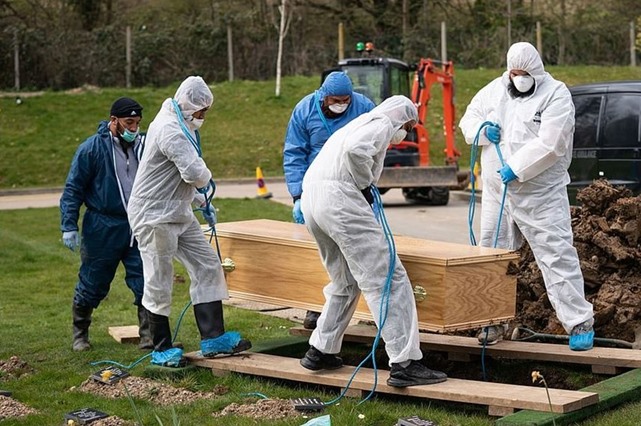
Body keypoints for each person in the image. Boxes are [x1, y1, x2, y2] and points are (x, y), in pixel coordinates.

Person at [299, 95, 447, 387]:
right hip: (341, 200)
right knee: (389, 279)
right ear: (400, 117)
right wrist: (364, 184)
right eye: (407, 126)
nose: (403, 133)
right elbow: (356, 153)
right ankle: (405, 362)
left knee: (344, 282)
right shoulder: (381, 122)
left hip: (313, 200)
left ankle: (321, 349)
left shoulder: (354, 125)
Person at [458, 42, 595, 351]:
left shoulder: (556, 94)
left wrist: (516, 168)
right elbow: (468, 121)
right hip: (498, 194)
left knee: (556, 255)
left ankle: (579, 322)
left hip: (541, 195)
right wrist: (482, 129)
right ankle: (492, 321)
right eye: (514, 73)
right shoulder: (494, 90)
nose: (518, 78)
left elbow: (552, 143)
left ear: (536, 71)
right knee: (493, 256)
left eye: (524, 73)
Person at [127, 76, 251, 367]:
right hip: (153, 215)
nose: (203, 117)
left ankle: (213, 337)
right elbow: (194, 172)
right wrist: (205, 184)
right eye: (201, 111)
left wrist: (199, 201)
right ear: (188, 104)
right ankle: (160, 347)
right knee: (159, 277)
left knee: (207, 264)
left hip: (177, 209)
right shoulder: (169, 129)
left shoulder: (182, 124)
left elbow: (173, 178)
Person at [283, 71, 375, 330]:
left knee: (364, 248)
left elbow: (375, 146)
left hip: (354, 187)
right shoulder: (305, 110)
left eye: (346, 99)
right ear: (323, 97)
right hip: (316, 190)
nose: (342, 104)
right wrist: (298, 196)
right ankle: (316, 306)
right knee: (323, 254)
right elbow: (294, 153)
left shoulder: (364, 107)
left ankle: (370, 305)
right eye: (336, 100)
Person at [60, 97, 152, 352]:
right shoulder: (91, 149)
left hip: (137, 224)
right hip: (102, 226)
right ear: (114, 121)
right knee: (93, 280)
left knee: (145, 279)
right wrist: (69, 225)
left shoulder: (143, 147)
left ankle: (148, 335)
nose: (134, 128)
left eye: (137, 123)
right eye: (128, 122)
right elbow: (73, 189)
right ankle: (80, 333)